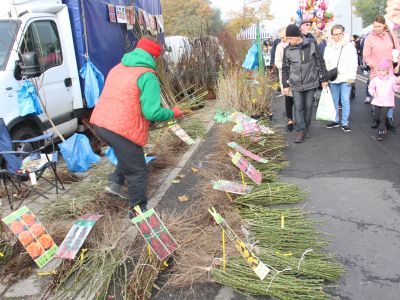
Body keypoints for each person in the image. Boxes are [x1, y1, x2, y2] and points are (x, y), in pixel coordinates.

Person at [90, 38, 186, 217]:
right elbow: (152, 113)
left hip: (100, 123)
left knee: (128, 154)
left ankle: (115, 183)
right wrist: (172, 113)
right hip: (121, 127)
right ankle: (138, 212)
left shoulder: (117, 68)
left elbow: (124, 99)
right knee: (137, 170)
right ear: (153, 57)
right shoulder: (147, 75)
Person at [282, 24, 328, 143]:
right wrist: (285, 85)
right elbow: (285, 68)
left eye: (290, 38)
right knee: (298, 107)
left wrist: (324, 79)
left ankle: (306, 127)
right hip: (295, 83)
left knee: (308, 107)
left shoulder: (311, 45)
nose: (289, 41)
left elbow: (320, 62)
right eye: (287, 38)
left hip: (310, 82)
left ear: (298, 36)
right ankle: (300, 130)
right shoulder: (287, 49)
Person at [363, 15, 400, 130]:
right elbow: (366, 56)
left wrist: (398, 65)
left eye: (378, 26)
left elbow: (397, 51)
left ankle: (388, 118)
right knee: (378, 95)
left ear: (384, 25)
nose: (376, 28)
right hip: (376, 72)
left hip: (390, 72)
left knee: (389, 95)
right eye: (374, 26)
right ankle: (377, 118)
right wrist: (376, 67)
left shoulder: (391, 34)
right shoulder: (370, 38)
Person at [323, 24, 358, 132]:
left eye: (339, 34)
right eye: (335, 34)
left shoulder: (349, 46)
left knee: (345, 100)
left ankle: (345, 122)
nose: (337, 36)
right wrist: (326, 77)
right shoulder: (328, 47)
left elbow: (354, 63)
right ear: (331, 35)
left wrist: (352, 79)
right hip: (333, 78)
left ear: (343, 33)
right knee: (334, 100)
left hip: (346, 77)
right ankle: (335, 120)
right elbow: (325, 62)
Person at [369, 59, 400, 141]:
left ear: (387, 71)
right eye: (379, 70)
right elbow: (371, 87)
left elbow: (396, 89)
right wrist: (373, 93)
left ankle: (380, 132)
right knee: (377, 117)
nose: (380, 72)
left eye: (383, 70)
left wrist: (397, 84)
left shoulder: (393, 79)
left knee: (382, 118)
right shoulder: (375, 79)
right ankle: (383, 126)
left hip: (387, 102)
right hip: (377, 101)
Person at [275, 27, 294, 131]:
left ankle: (300, 120)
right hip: (285, 75)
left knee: (298, 99)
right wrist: (287, 66)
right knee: (288, 99)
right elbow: (277, 62)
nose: (283, 39)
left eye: (284, 37)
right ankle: (290, 120)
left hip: (296, 76)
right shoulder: (279, 47)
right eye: (281, 37)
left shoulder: (295, 44)